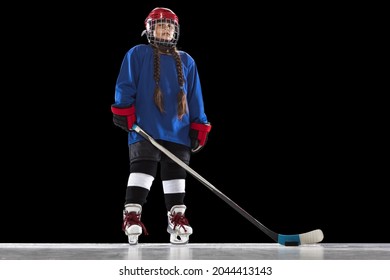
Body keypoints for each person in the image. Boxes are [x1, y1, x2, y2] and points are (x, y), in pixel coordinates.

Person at [111, 7, 211, 245]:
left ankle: (177, 217)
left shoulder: (187, 61)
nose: (166, 29)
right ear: (150, 29)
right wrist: (124, 109)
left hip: (178, 129)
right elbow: (125, 84)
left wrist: (199, 124)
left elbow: (195, 96)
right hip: (145, 127)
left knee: (175, 173)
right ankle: (132, 215)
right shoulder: (137, 54)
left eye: (170, 25)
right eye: (161, 24)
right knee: (142, 169)